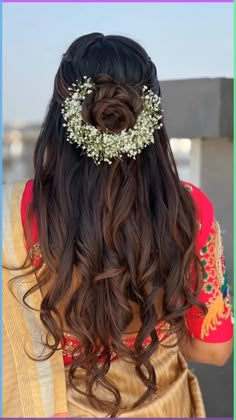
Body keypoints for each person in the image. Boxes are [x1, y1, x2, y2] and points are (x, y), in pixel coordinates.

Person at [2, 33, 233, 418]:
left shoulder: (14, 210)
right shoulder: (188, 211)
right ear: (149, 118)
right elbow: (213, 349)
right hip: (163, 407)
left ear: (62, 117)